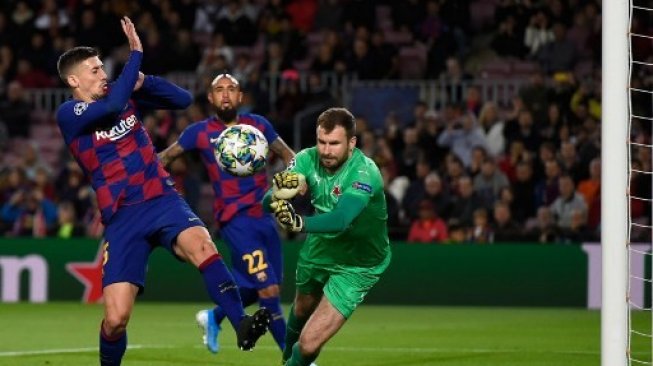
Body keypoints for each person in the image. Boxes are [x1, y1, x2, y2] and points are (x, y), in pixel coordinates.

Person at [55, 17, 270, 365]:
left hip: (161, 198)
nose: (102, 74)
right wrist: (136, 53)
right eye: (94, 70)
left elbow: (183, 100)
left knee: (203, 245)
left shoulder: (122, 95)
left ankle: (240, 322)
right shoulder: (70, 113)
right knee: (116, 319)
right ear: (74, 80)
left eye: (102, 67)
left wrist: (142, 80)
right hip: (123, 216)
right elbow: (109, 109)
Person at [158, 73, 295, 354]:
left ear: (240, 96)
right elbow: (165, 158)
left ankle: (214, 316)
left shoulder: (258, 125)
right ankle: (293, 358)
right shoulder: (198, 132)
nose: (225, 94)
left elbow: (288, 155)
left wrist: (292, 179)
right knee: (268, 292)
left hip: (264, 216)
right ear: (210, 97)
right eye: (219, 89)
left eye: (231, 89)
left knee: (265, 288)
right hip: (235, 220)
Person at [264, 107, 392, 366]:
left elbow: (342, 219)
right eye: (321, 141)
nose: (326, 150)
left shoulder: (364, 173)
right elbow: (267, 199)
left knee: (309, 344)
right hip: (320, 249)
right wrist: (280, 198)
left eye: (334, 143)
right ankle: (287, 361)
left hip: (358, 264)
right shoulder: (305, 160)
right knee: (300, 309)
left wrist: (298, 223)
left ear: (352, 143)